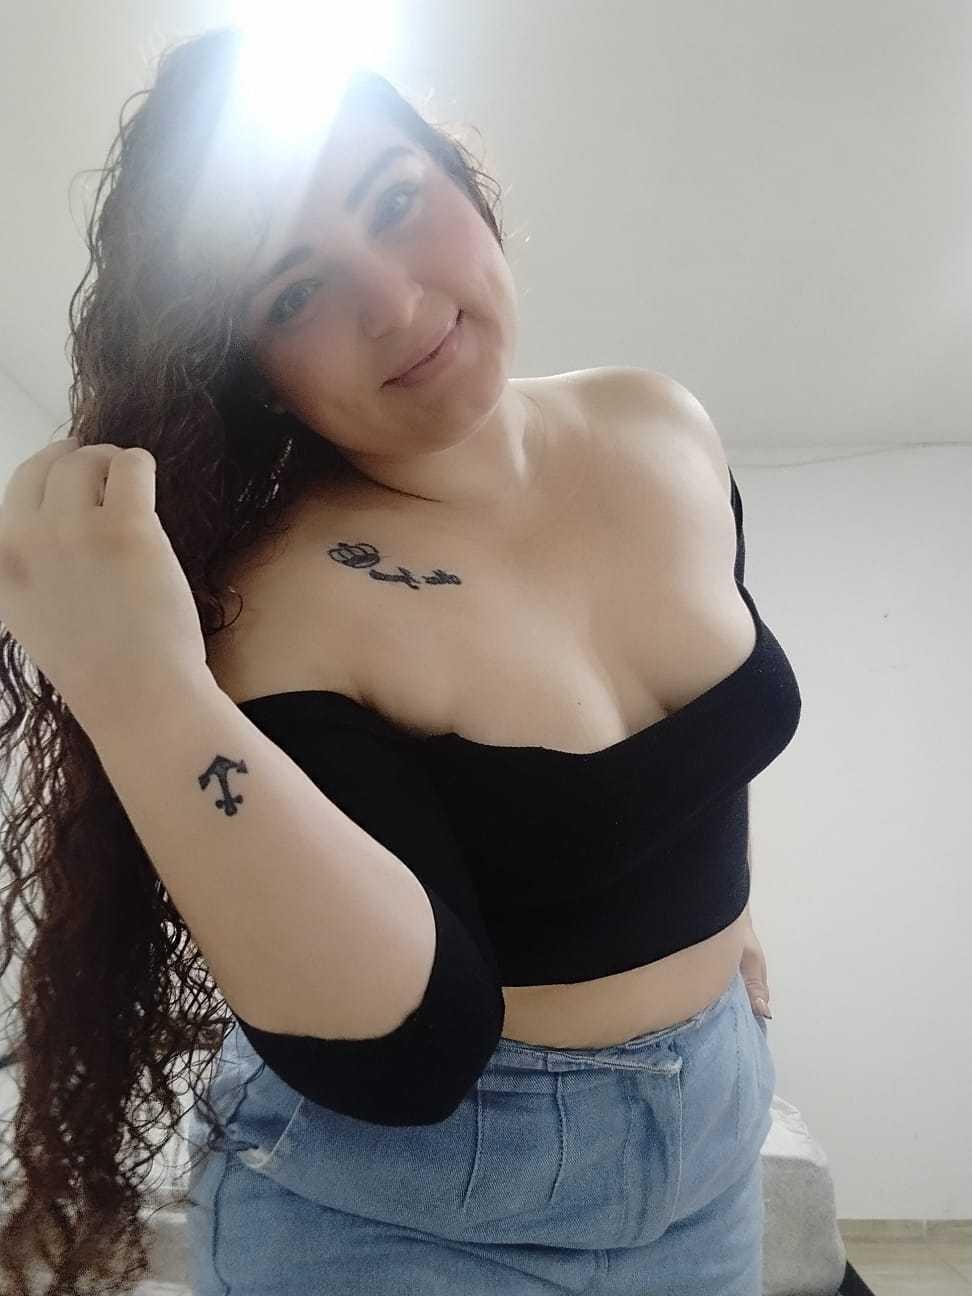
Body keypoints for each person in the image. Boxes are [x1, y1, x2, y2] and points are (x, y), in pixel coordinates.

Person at [0, 24, 800, 1295]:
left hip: (709, 1156)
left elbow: (705, 720)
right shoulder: (279, 606)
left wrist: (725, 908)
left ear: (466, 185)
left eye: (394, 201)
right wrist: (137, 689)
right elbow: (406, 1052)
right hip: (408, 1215)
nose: (392, 301)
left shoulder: (662, 423)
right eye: (293, 294)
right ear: (255, 370)